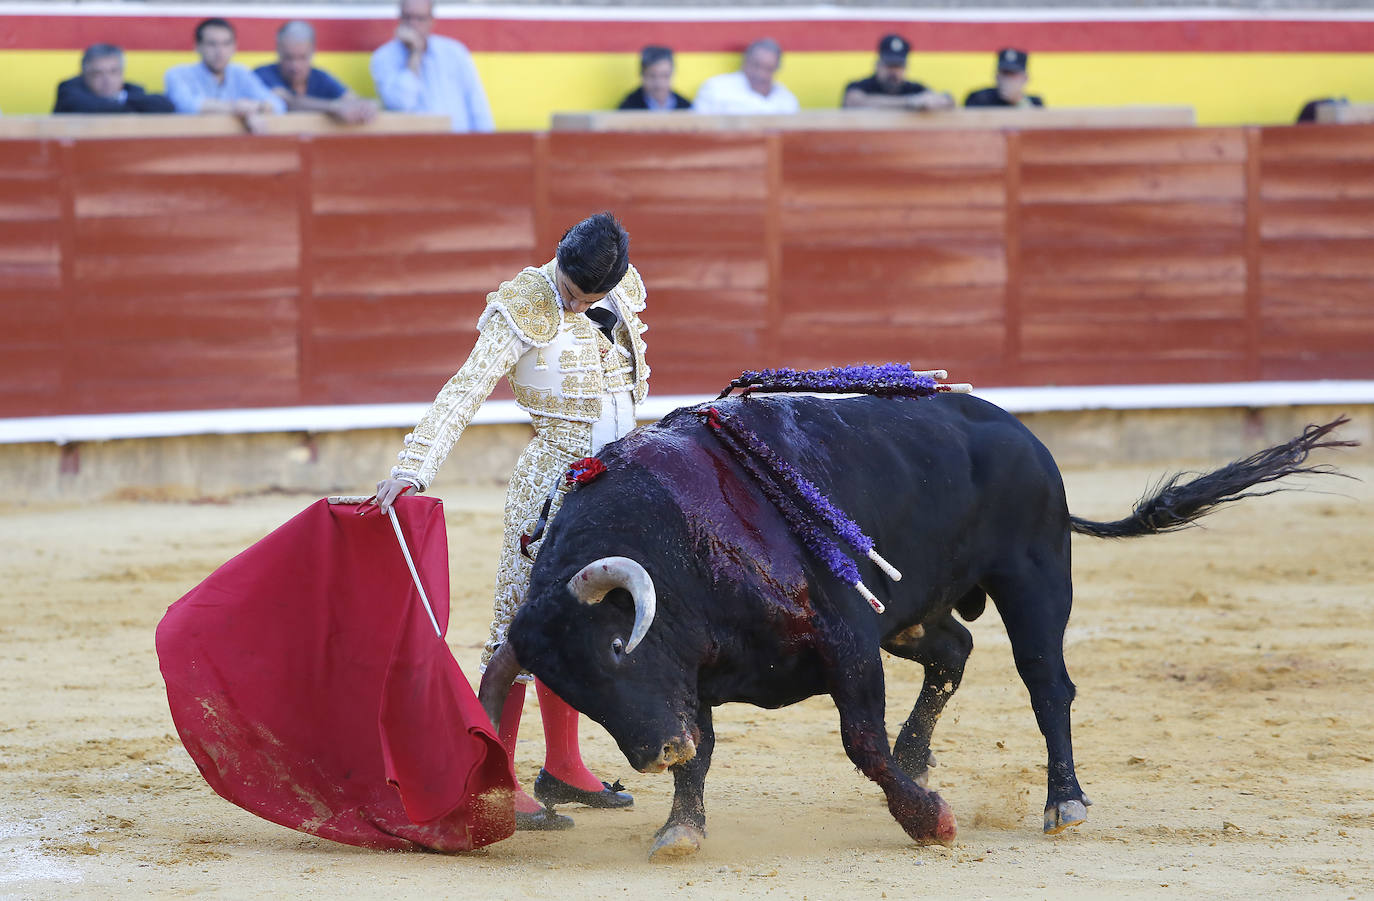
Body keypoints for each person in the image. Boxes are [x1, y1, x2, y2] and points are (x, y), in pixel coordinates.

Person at [372, 212, 647, 830]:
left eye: (591, 298)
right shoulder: (523, 304)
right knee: (518, 627)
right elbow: (465, 389)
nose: (577, 306)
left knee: (587, 621)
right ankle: (495, 780)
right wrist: (415, 467)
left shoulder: (624, 291)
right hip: (548, 484)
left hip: (615, 482)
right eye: (571, 293)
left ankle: (565, 766)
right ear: (558, 261)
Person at [370, 0, 494, 133]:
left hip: (458, 143)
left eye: (420, 18)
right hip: (414, 147)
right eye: (408, 17)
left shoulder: (454, 52)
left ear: (431, 21)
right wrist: (414, 55)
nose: (413, 24)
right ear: (399, 19)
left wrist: (488, 143)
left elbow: (477, 104)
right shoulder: (383, 57)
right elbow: (400, 105)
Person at [164, 18, 285, 132]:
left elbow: (278, 105)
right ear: (197, 47)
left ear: (234, 47)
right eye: (212, 44)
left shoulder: (240, 73)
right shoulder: (178, 74)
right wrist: (239, 109)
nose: (220, 51)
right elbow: (186, 106)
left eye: (226, 44)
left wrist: (255, 108)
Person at [255, 21, 378, 124]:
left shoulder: (320, 77)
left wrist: (367, 105)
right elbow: (289, 102)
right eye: (289, 57)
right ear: (279, 51)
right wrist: (334, 107)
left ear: (312, 53)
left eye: (302, 58)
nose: (295, 66)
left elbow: (352, 99)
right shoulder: (263, 75)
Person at [841, 34, 953, 111]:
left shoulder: (914, 89)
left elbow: (947, 102)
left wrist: (935, 101)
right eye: (889, 65)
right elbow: (853, 102)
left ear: (906, 67)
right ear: (877, 64)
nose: (893, 71)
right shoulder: (861, 86)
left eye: (898, 66)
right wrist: (910, 102)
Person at [54, 44, 175, 114]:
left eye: (113, 72)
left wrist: (121, 98)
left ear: (122, 73)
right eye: (98, 73)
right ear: (84, 75)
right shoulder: (68, 90)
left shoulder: (132, 90)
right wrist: (126, 103)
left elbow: (165, 106)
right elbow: (91, 107)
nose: (107, 80)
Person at [692, 38, 799, 115]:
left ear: (776, 69)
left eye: (768, 68)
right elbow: (698, 129)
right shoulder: (715, 89)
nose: (760, 74)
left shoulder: (787, 99)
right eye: (756, 65)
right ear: (745, 62)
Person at [617, 46, 691, 111]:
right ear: (642, 75)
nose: (658, 83)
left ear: (673, 74)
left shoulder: (686, 107)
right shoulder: (628, 108)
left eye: (665, 75)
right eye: (652, 76)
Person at [965, 48, 1044, 108]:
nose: (1007, 80)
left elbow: (1039, 124)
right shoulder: (979, 98)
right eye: (1004, 74)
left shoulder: (1035, 103)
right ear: (996, 77)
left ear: (1025, 79)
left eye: (1013, 74)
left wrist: (1018, 101)